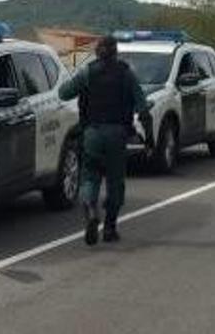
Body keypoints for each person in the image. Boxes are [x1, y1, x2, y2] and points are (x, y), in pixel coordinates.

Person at [59, 36, 153, 245]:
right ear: (116, 52)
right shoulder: (126, 74)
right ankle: (110, 228)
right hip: (118, 134)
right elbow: (144, 111)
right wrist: (149, 140)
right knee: (115, 182)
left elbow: (64, 93)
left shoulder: (88, 72)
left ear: (97, 52)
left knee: (90, 177)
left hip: (92, 133)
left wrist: (79, 83)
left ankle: (91, 212)